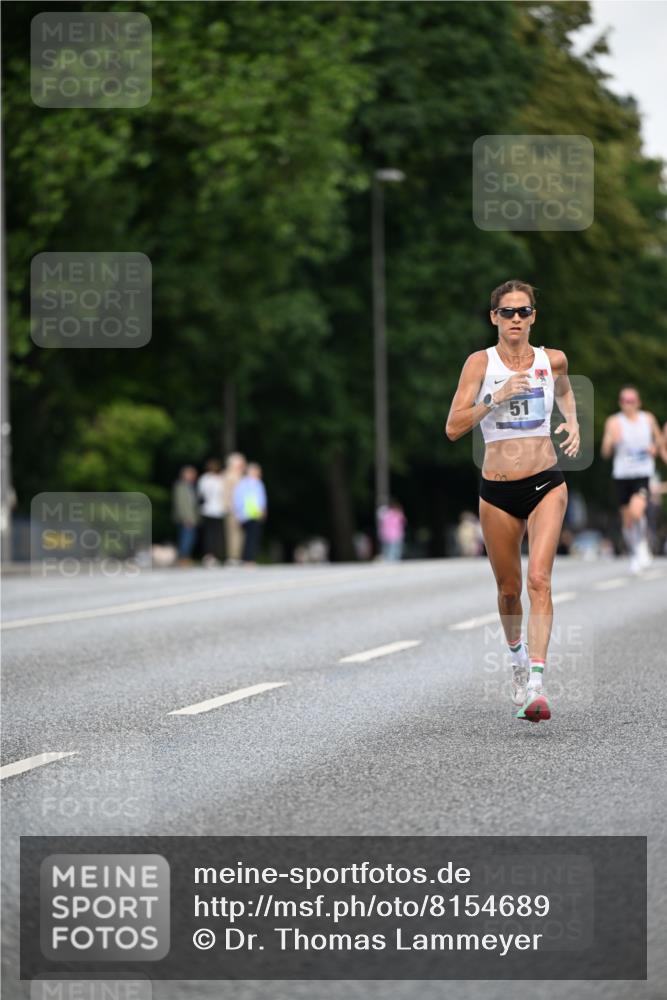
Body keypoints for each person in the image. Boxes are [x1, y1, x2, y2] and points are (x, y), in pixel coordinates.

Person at [445, 279, 580, 723]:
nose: (516, 319)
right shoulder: (478, 364)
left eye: (524, 311)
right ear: (494, 318)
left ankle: (537, 685)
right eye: (508, 312)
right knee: (509, 591)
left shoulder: (551, 359)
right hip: (498, 491)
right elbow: (453, 427)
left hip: (545, 482)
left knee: (539, 579)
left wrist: (573, 422)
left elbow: (562, 387)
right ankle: (518, 659)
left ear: (534, 316)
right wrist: (494, 397)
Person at [601, 387, 663, 573]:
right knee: (627, 520)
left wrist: (655, 448)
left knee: (637, 511)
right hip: (622, 475)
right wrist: (611, 441)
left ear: (638, 402)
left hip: (642, 473)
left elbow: (659, 440)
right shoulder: (614, 422)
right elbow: (605, 452)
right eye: (624, 400)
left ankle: (643, 545)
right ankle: (636, 552)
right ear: (620, 403)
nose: (628, 404)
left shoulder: (648, 419)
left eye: (631, 400)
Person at [233, 463, 267, 565]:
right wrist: (239, 513)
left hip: (256, 514)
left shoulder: (259, 483)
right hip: (246, 514)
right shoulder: (243, 483)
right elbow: (238, 499)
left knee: (254, 537)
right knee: (249, 537)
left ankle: (250, 558)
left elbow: (262, 499)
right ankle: (247, 558)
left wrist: (263, 510)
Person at [197, 459, 226, 567]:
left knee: (210, 534)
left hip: (208, 510)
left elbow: (200, 494)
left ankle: (210, 556)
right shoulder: (219, 479)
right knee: (215, 534)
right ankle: (212, 556)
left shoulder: (204, 479)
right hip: (216, 510)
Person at [172, 466, 199, 564]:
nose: (192, 476)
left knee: (190, 538)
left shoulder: (191, 486)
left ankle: (186, 557)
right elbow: (181, 504)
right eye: (190, 474)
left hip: (192, 517)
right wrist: (186, 518)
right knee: (186, 538)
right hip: (186, 518)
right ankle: (183, 557)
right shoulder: (181, 486)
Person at [223, 452, 246, 565]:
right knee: (233, 534)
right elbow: (226, 493)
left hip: (242, 510)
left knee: (240, 534)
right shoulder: (229, 475)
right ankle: (233, 557)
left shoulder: (241, 476)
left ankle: (238, 556)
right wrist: (228, 506)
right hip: (233, 509)